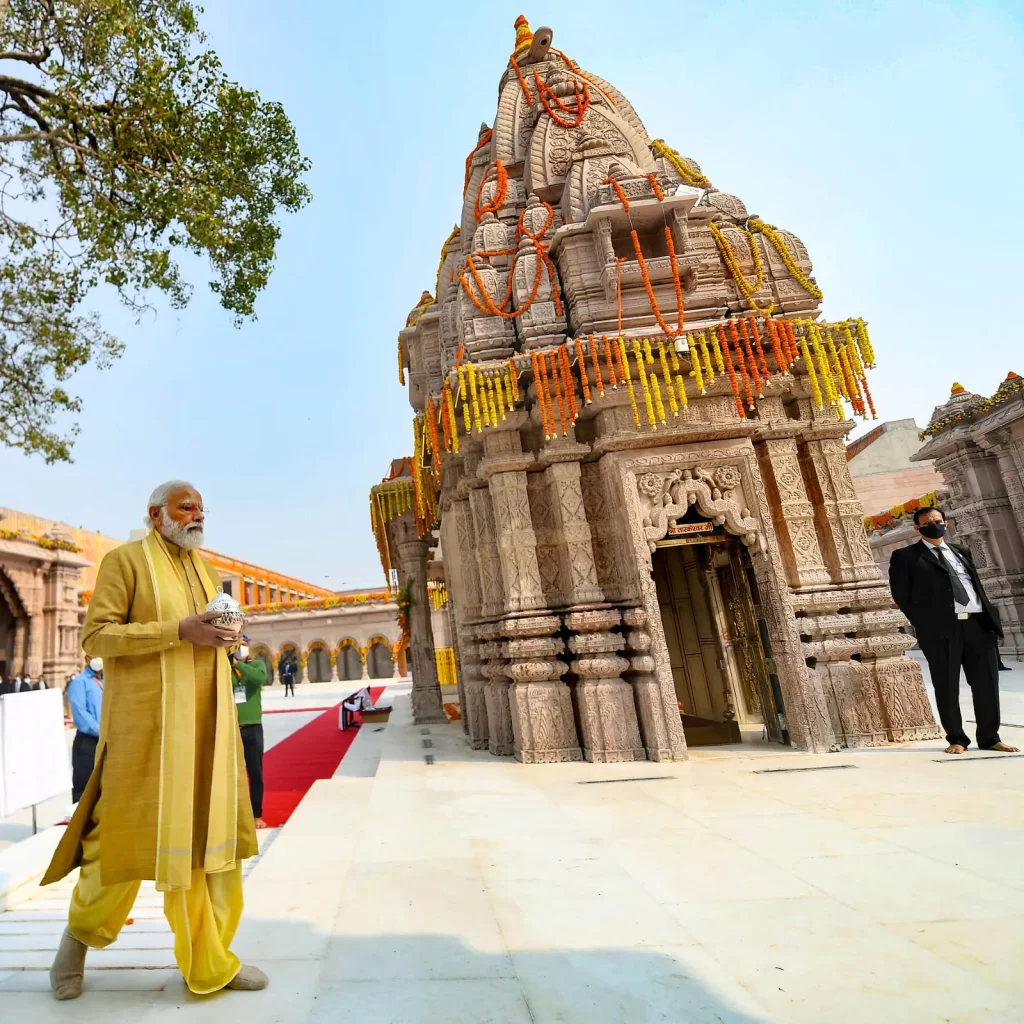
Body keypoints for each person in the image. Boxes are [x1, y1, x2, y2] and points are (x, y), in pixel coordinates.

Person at [42, 480, 266, 1000]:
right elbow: (96, 638)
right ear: (156, 514)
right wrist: (177, 630)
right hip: (145, 732)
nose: (197, 516)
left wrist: (227, 638)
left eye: (202, 509)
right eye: (187, 507)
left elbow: (207, 633)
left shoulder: (206, 569)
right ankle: (75, 941)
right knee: (120, 843)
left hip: (205, 729)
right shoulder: (125, 563)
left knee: (212, 847)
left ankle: (213, 960)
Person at [889, 506, 1019, 756]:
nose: (934, 525)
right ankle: (957, 738)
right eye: (928, 522)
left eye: (938, 520)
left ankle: (990, 737)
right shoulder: (906, 556)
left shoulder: (960, 551)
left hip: (977, 624)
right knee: (946, 684)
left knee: (986, 684)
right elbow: (901, 595)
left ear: (945, 523)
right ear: (917, 527)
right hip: (941, 630)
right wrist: (926, 624)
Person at [232, 637, 268, 829]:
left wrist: (240, 664)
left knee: (255, 773)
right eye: (237, 646)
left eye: (243, 645)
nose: (240, 648)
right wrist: (232, 666)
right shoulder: (226, 670)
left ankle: (257, 814)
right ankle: (235, 815)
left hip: (253, 728)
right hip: (232, 729)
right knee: (232, 774)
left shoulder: (257, 665)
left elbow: (259, 679)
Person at [66, 658, 104, 804]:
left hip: (104, 739)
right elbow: (80, 714)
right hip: (88, 740)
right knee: (84, 786)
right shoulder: (80, 682)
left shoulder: (103, 682)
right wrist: (101, 731)